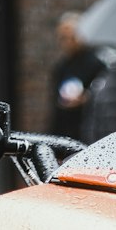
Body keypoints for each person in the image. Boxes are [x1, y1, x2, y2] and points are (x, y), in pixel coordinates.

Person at [48, 13, 104, 141]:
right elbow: (55, 106)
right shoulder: (61, 67)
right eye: (63, 38)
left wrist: (85, 99)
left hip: (87, 133)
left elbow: (102, 98)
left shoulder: (96, 64)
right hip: (65, 133)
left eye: (71, 37)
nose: (67, 42)